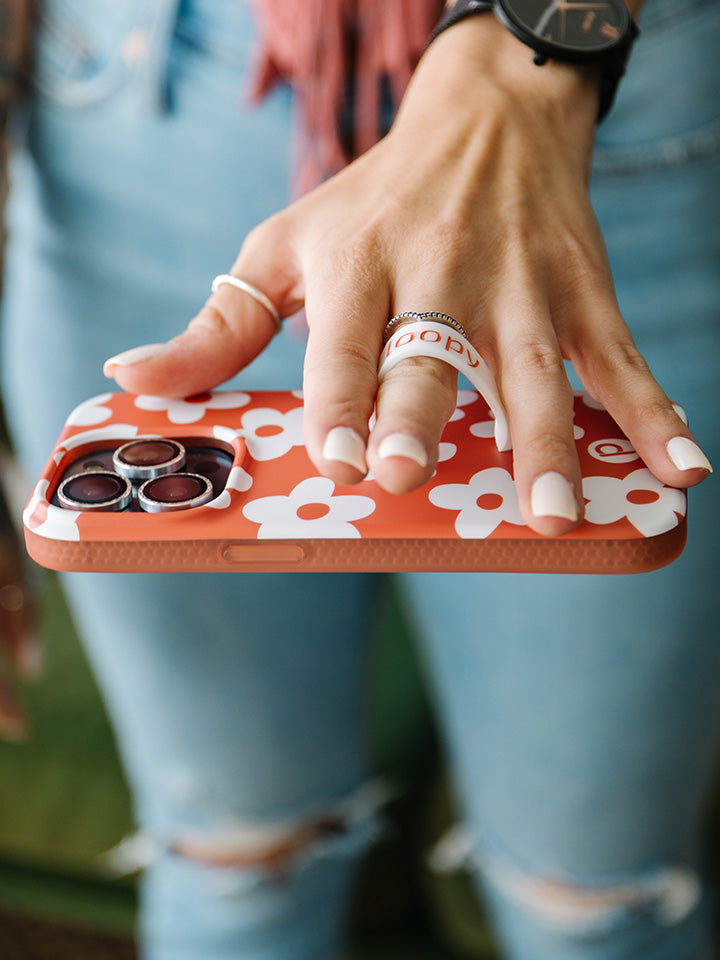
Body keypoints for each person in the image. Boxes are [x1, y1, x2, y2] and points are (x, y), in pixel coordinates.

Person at [2, 0, 719, 957]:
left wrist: (528, 57)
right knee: (235, 855)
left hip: (583, 140)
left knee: (587, 898)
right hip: (138, 109)